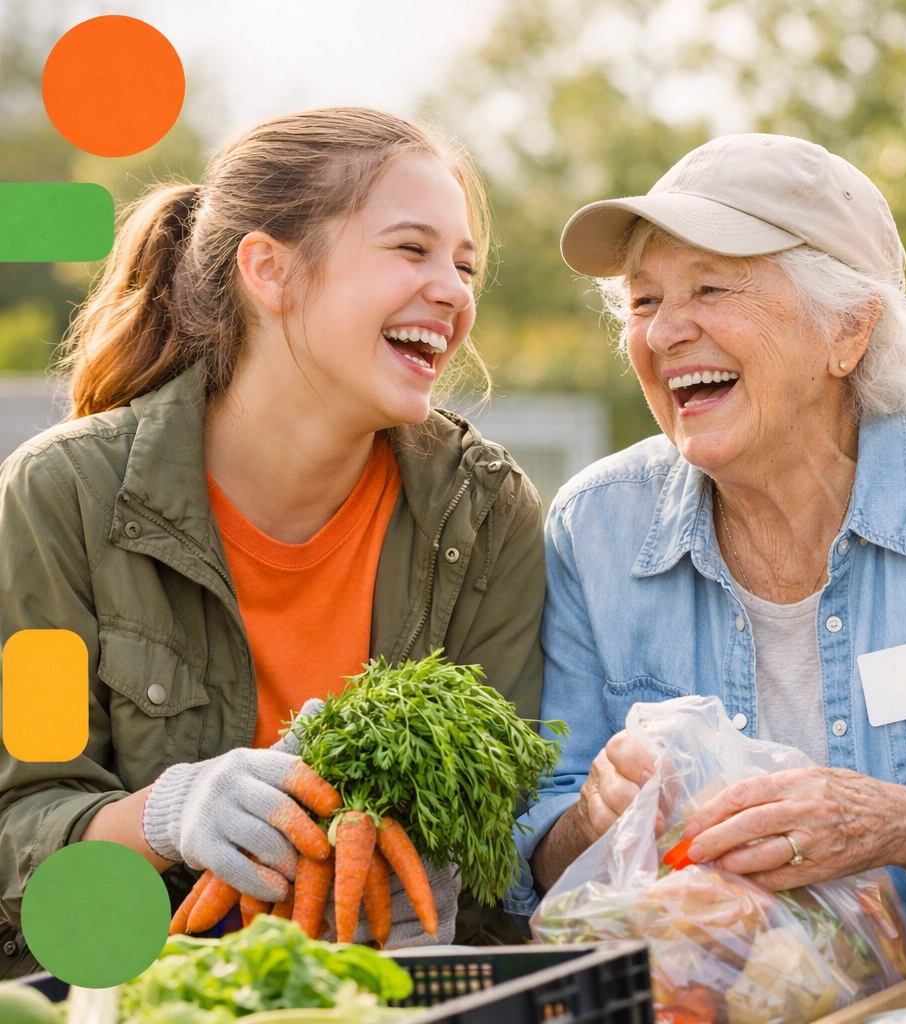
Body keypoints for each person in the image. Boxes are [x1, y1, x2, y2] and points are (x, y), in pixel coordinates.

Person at [507, 133, 906, 967]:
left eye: (710, 288)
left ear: (849, 329)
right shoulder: (595, 528)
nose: (665, 332)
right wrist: (592, 816)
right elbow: (537, 860)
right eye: (644, 301)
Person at [0, 108, 544, 976]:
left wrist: (437, 898)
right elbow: (17, 823)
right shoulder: (57, 499)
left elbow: (508, 829)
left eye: (464, 265)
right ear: (270, 271)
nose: (453, 291)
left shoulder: (484, 518)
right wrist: (168, 814)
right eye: (411, 249)